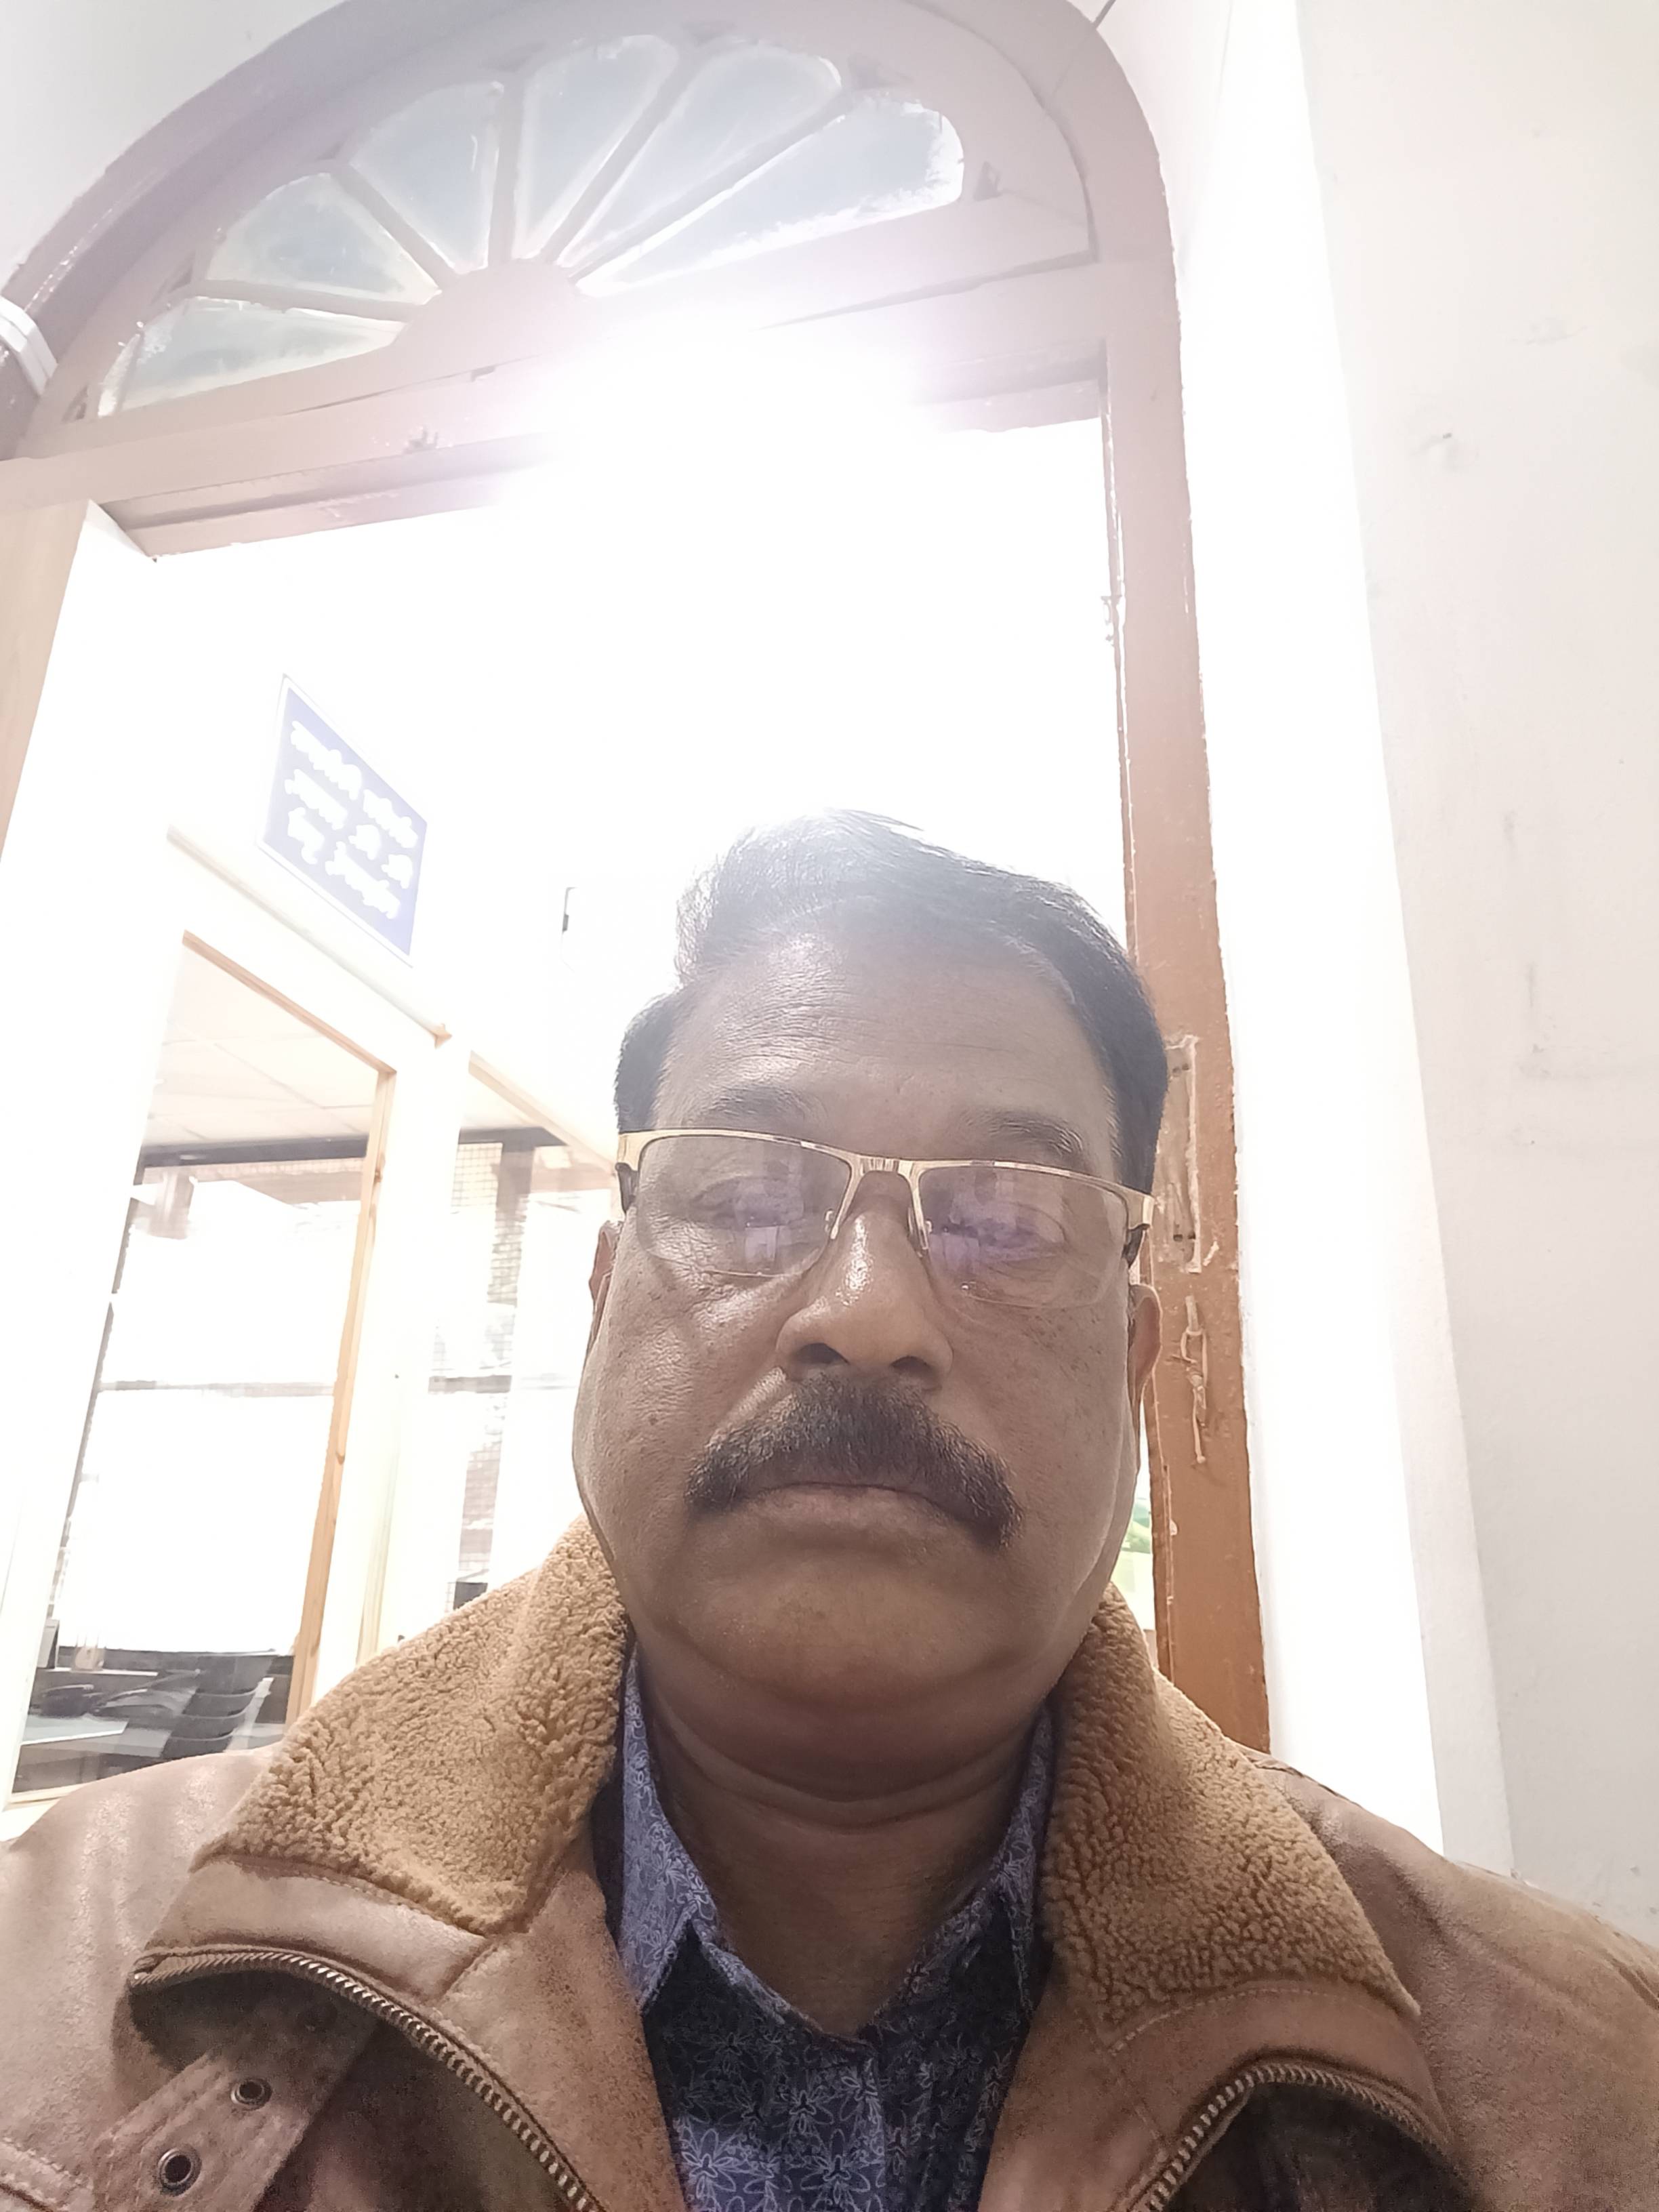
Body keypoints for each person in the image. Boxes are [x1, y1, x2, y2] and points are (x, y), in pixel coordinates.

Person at [1, 815, 1654, 2212]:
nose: (867, 1314)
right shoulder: (50, 1972)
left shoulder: (1584, 2083)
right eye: (747, 1195)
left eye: (1005, 1216)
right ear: (605, 1299)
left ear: (1135, 1360)